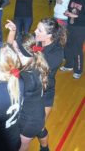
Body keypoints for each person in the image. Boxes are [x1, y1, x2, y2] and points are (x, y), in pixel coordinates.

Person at [6, 21, 48, 151]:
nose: (12, 47)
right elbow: (9, 48)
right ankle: (45, 148)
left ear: (19, 51)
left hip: (29, 120)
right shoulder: (35, 61)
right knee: (40, 130)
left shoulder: (25, 77)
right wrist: (13, 32)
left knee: (22, 146)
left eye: (14, 46)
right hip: (38, 111)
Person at [34, 18, 67, 150]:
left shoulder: (57, 52)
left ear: (50, 36)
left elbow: (41, 69)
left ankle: (44, 147)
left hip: (45, 91)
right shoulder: (36, 40)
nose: (35, 31)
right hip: (30, 90)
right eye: (37, 28)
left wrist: (33, 51)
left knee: (39, 125)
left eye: (39, 30)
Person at [61, 0, 85, 79]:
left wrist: (75, 16)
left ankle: (78, 70)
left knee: (77, 49)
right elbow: (71, 7)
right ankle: (69, 65)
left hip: (81, 28)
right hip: (70, 25)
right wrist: (68, 12)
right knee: (67, 45)